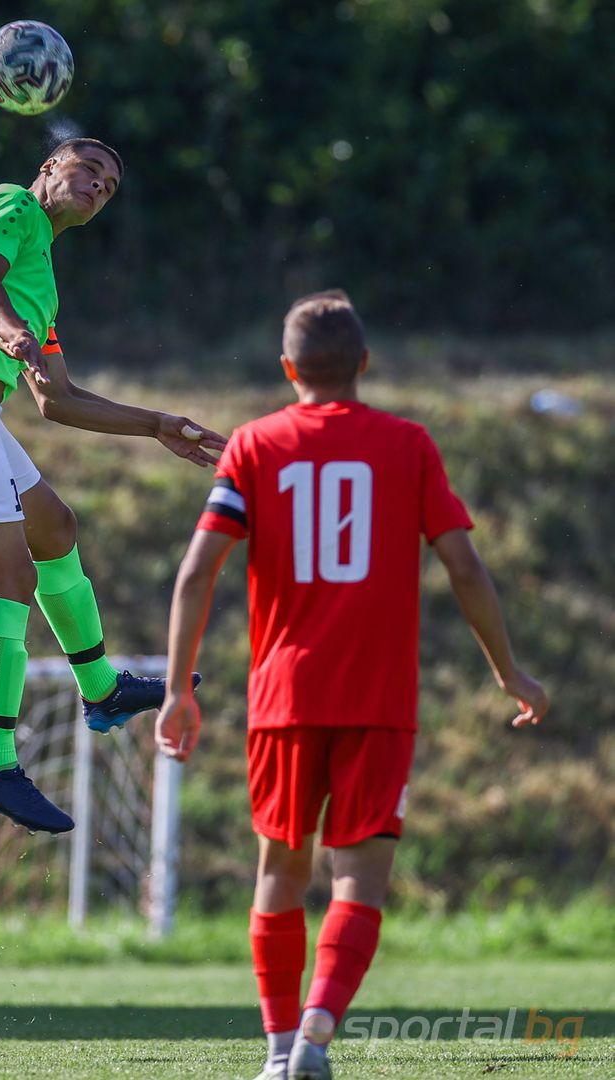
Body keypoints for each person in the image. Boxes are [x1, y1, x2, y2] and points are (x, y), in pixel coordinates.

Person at [153, 290, 549, 1080]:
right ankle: (317, 1036)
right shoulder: (407, 445)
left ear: (287, 369)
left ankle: (273, 1053)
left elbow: (197, 571)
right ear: (363, 364)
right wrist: (508, 672)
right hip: (377, 701)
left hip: (282, 699)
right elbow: (463, 564)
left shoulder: (255, 446)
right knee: (358, 874)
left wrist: (176, 688)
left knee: (279, 870)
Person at [0, 137, 222, 834]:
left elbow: (58, 399)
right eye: (88, 170)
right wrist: (7, 331)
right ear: (47, 169)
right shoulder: (11, 205)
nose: (100, 186)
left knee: (53, 528)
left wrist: (158, 423)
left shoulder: (43, 277)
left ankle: (101, 691)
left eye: (110, 185)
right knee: (7, 573)